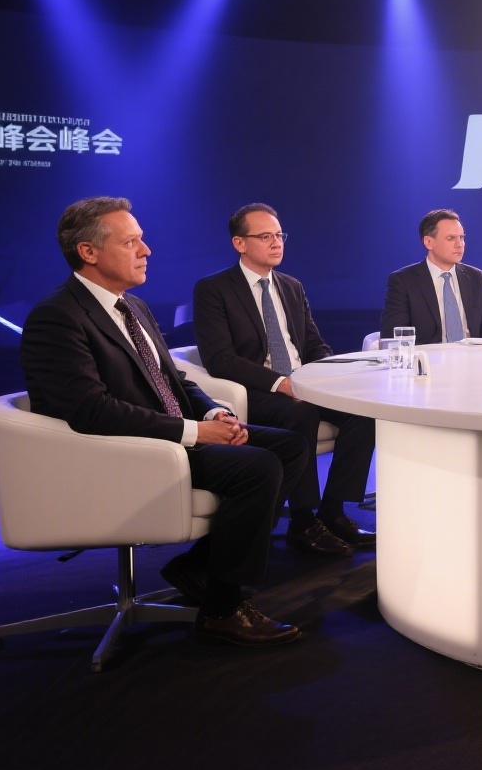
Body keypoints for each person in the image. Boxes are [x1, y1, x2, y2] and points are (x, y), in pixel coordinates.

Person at [20, 197, 307, 648]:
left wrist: (213, 412)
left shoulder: (132, 305)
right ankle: (223, 607)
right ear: (88, 252)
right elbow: (91, 410)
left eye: (142, 239)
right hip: (127, 450)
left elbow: (174, 380)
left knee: (289, 445)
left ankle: (200, 568)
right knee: (258, 467)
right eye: (131, 242)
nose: (146, 250)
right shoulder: (57, 316)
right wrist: (195, 433)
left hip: (169, 436)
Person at [193, 203, 377, 557]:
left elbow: (312, 344)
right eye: (265, 236)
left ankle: (333, 511)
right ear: (239, 243)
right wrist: (281, 384)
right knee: (300, 414)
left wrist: (332, 375)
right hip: (256, 390)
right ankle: (303, 522)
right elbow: (220, 359)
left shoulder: (291, 286)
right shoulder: (214, 289)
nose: (276, 243)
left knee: (363, 413)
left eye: (279, 235)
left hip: (302, 384)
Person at [381, 209, 482, 343]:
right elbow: (394, 337)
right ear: (429, 242)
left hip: (473, 354)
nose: (460, 244)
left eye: (461, 237)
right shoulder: (403, 281)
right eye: (451, 238)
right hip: (427, 356)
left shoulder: (476, 277)